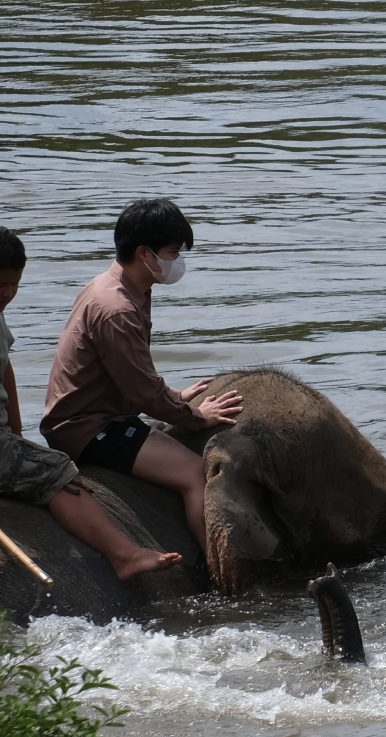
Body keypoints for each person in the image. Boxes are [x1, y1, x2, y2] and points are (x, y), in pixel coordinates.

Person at [0, 225, 183, 580]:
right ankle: (124, 555)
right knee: (57, 472)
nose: (8, 295)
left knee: (36, 458)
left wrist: (14, 433)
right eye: (0, 286)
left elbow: (4, 368)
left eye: (15, 285)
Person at [41, 197, 243, 551]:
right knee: (196, 475)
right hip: (89, 429)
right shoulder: (116, 308)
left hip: (103, 414)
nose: (176, 262)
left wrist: (173, 397)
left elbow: (132, 374)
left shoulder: (125, 286)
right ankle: (218, 573)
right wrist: (196, 416)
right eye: (172, 252)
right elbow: (143, 391)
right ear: (145, 253)